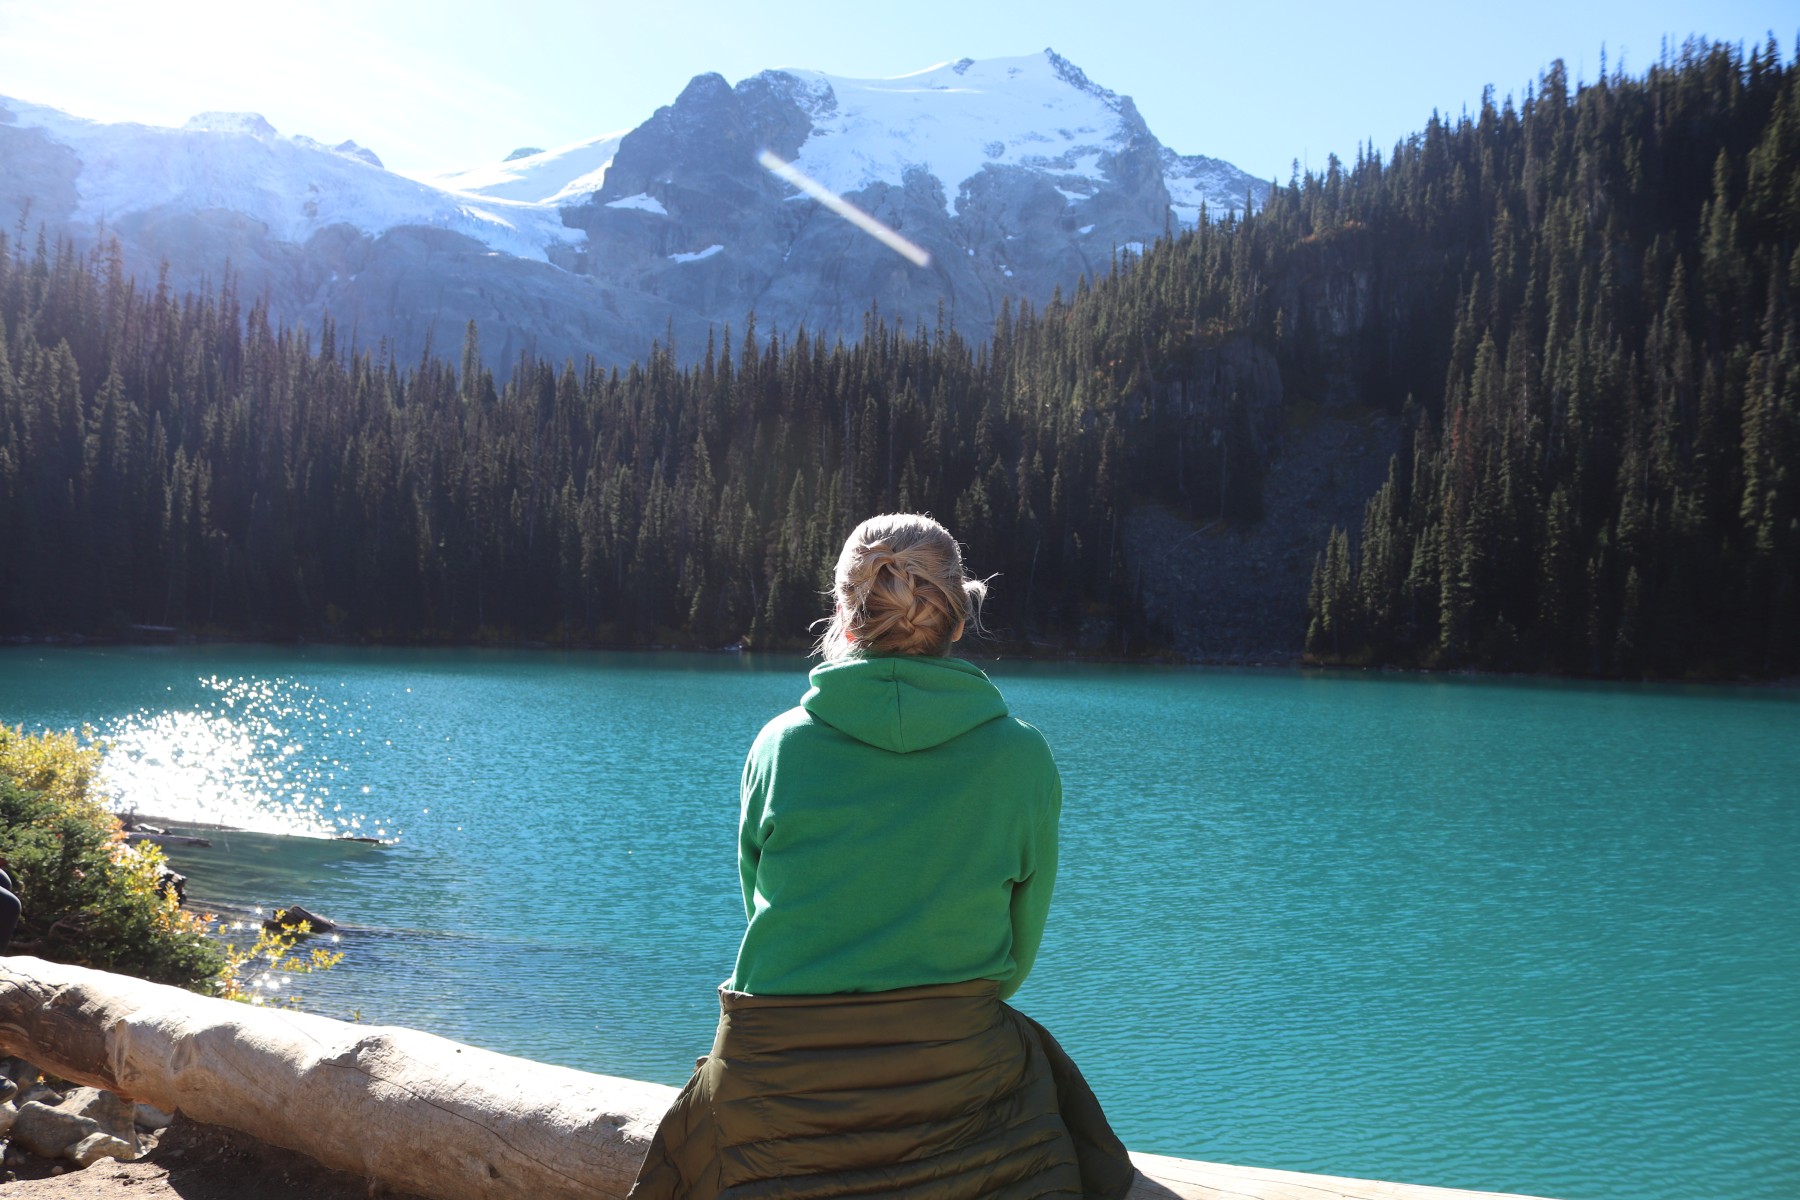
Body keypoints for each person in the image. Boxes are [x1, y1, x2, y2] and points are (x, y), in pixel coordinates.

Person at [628, 513, 1134, 1200]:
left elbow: (761, 906)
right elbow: (1013, 963)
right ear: (958, 618)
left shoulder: (780, 747)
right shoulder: (1021, 758)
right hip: (953, 1070)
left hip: (775, 1084)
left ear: (844, 615)